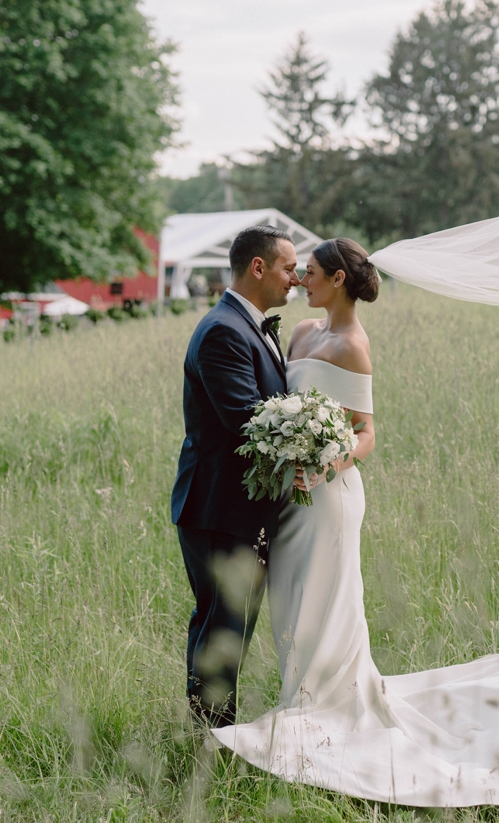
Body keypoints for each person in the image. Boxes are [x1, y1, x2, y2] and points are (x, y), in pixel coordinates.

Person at [212, 238, 499, 808]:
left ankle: (319, 714)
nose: (300, 282)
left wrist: (325, 462)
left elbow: (365, 432)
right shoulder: (297, 334)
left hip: (329, 495)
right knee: (294, 605)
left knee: (325, 606)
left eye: (309, 273)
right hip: (291, 503)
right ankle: (303, 704)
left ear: (337, 279)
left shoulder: (353, 346)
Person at [171, 224, 299, 727]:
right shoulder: (224, 329)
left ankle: (210, 732)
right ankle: (213, 738)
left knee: (224, 623)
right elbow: (247, 421)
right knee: (223, 624)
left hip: (234, 507)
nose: (294, 279)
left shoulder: (246, 324)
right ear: (259, 267)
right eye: (289, 268)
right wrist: (314, 442)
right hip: (220, 507)